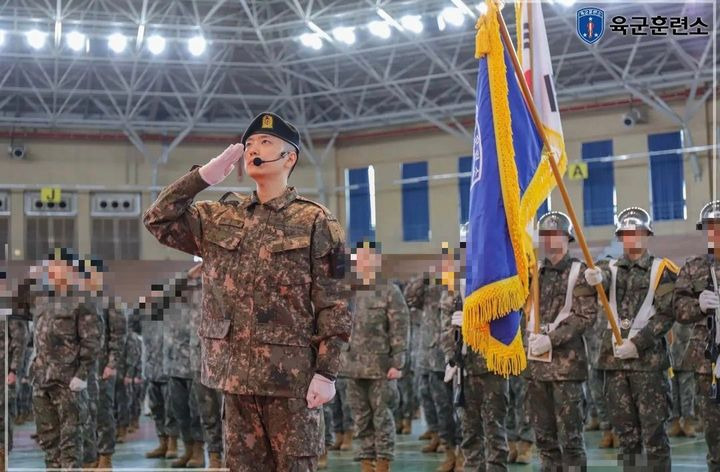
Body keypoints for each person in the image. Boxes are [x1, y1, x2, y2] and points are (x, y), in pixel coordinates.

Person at [144, 112, 351, 471]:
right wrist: (201, 178)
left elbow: (336, 303)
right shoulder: (220, 217)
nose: (253, 149)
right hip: (236, 379)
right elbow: (157, 219)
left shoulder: (316, 221)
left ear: (289, 158)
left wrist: (327, 372)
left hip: (291, 382)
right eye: (250, 143)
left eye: (265, 142)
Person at [584, 207, 677, 471]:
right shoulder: (609, 268)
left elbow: (666, 314)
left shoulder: (662, 270)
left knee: (654, 437)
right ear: (620, 237)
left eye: (637, 232)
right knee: (626, 439)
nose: (632, 237)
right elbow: (599, 277)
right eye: (626, 233)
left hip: (649, 367)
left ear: (647, 235)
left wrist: (637, 344)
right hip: (615, 368)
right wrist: (594, 278)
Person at [524, 212, 594, 470]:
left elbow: (585, 316)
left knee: (571, 441)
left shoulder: (580, 272)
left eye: (556, 234)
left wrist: (551, 340)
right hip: (536, 369)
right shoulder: (533, 272)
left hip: (566, 370)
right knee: (544, 441)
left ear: (567, 237)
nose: (550, 239)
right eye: (545, 234)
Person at [441, 224, 509, 472]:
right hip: (464, 369)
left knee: (494, 432)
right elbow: (445, 327)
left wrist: (472, 321)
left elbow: (506, 322)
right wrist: (451, 358)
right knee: (469, 434)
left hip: (491, 366)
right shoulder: (454, 285)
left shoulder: (498, 280)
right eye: (465, 246)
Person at [341, 242, 409, 472]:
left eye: (367, 257)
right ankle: (366, 462)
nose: (362, 262)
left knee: (382, 416)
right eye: (358, 258)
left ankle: (383, 462)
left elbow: (400, 328)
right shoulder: (348, 291)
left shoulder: (389, 291)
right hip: (352, 365)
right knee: (360, 416)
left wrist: (398, 362)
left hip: (381, 366)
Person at [30, 249, 101, 469]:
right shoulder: (42, 299)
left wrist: (82, 375)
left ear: (70, 269)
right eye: (50, 267)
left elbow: (91, 341)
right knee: (48, 443)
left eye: (57, 266)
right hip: (42, 381)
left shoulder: (82, 300)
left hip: (68, 383)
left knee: (71, 444)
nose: (52, 271)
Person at [673, 200, 720, 471]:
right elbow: (678, 308)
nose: (715, 232)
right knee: (714, 437)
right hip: (707, 364)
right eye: (710, 228)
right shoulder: (694, 268)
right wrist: (697, 305)